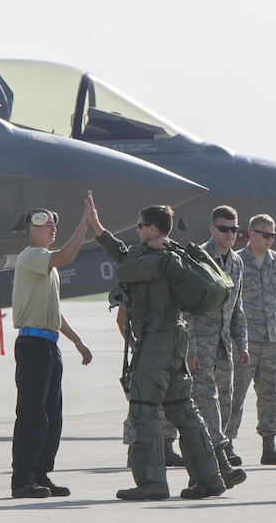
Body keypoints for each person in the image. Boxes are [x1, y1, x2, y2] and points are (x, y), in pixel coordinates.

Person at [90, 196, 243, 501]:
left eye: (140, 225)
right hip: (174, 343)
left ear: (153, 228)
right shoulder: (168, 253)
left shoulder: (157, 258)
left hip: (156, 343)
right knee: (182, 409)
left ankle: (151, 481)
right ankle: (209, 478)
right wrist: (97, 227)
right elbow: (126, 256)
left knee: (144, 408)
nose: (137, 230)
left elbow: (127, 270)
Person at [6, 208, 94, 499]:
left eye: (55, 223)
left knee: (52, 417)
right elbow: (67, 255)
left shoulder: (47, 266)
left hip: (48, 345)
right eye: (45, 224)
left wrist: (77, 341)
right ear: (31, 229)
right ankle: (23, 480)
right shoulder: (31, 256)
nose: (52, 228)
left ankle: (40, 474)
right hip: (33, 347)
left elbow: (54, 312)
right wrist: (86, 222)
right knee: (33, 415)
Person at [186, 206, 250, 468]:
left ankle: (223, 444)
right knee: (205, 399)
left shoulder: (237, 263)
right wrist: (190, 347)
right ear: (212, 228)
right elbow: (187, 307)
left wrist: (242, 343)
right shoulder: (199, 258)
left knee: (226, 399)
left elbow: (237, 308)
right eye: (224, 229)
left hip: (224, 346)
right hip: (200, 344)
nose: (230, 234)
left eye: (234, 229)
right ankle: (217, 454)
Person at [236, 214, 276, 464]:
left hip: (271, 340)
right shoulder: (236, 261)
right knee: (235, 394)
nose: (270, 240)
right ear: (251, 234)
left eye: (273, 235)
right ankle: (225, 445)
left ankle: (269, 446)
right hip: (244, 341)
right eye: (265, 234)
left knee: (270, 393)